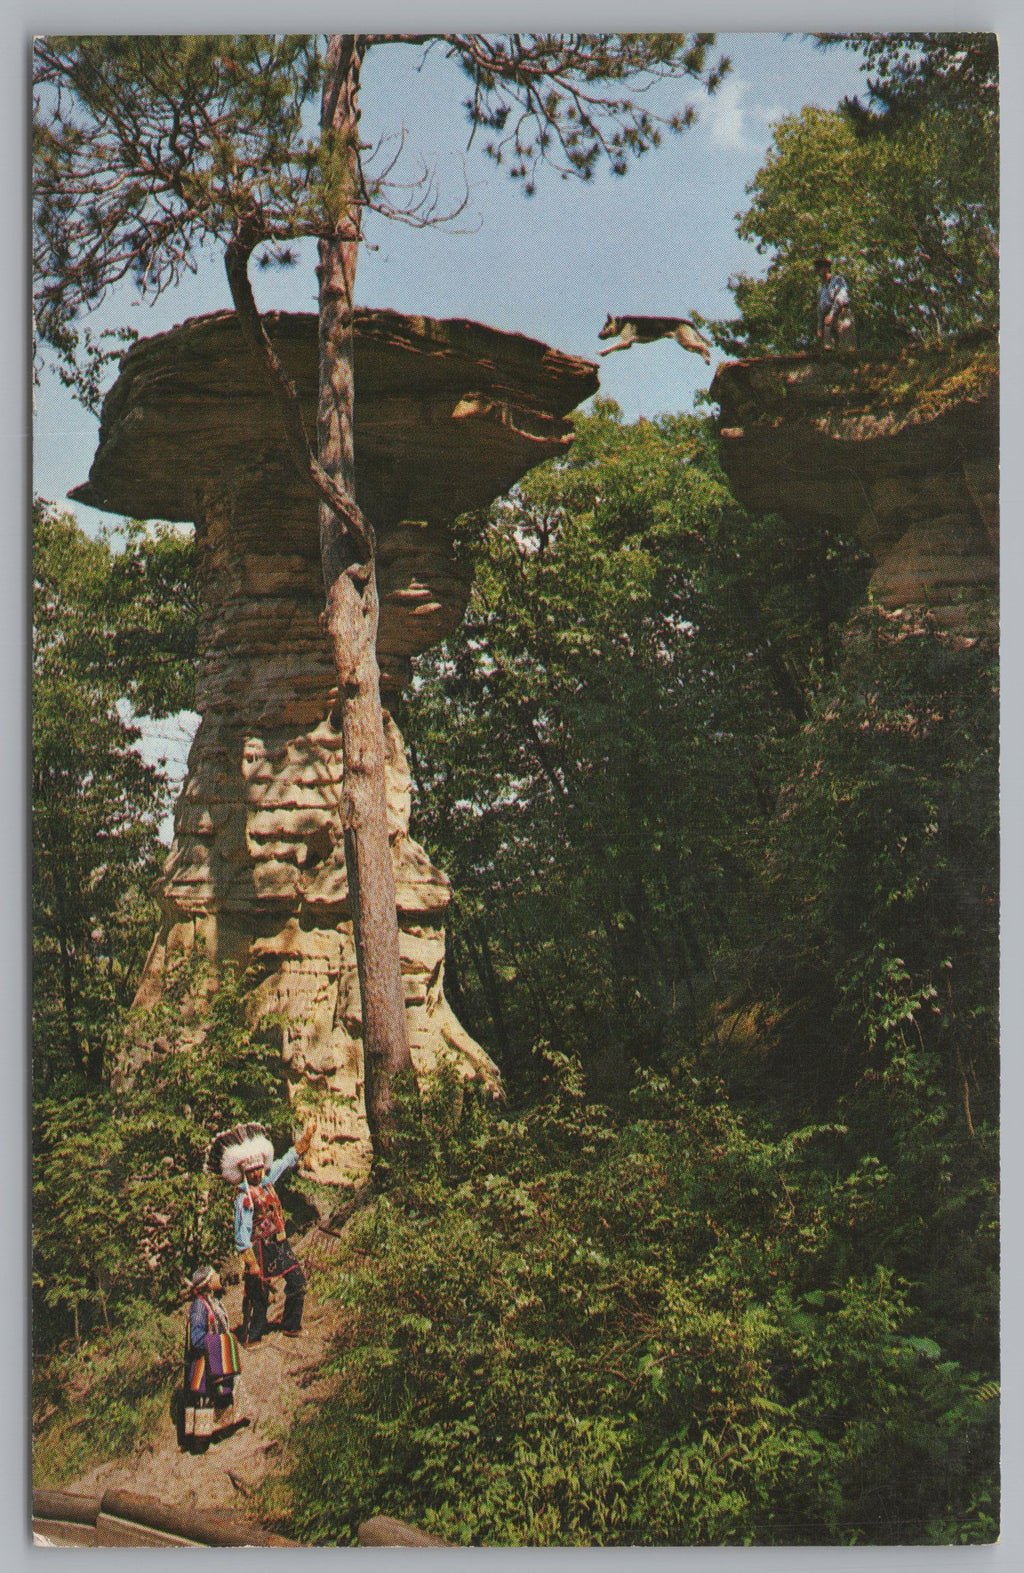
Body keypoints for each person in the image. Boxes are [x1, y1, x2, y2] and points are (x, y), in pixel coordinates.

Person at [206, 1118, 316, 1346]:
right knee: (259, 1296)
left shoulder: (267, 1182)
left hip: (280, 1243)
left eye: (258, 1169)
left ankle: (291, 1325)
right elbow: (241, 1235)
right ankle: (253, 1336)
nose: (256, 1174)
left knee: (297, 1281)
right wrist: (251, 1263)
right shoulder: (244, 1198)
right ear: (245, 1172)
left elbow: (286, 1161)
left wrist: (305, 1139)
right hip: (259, 1250)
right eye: (252, 1171)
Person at [183, 1265, 242, 1450]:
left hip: (212, 1361)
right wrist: (218, 1343)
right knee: (204, 1399)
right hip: (203, 1364)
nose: (218, 1276)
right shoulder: (199, 1308)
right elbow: (196, 1339)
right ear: (208, 1283)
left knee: (214, 1397)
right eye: (214, 1275)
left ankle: (218, 1433)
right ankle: (200, 1446)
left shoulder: (211, 1301)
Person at [814, 257, 856, 348]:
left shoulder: (838, 281)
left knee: (847, 347)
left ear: (828, 268)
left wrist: (832, 314)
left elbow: (840, 299)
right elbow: (820, 310)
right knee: (829, 349)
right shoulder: (821, 290)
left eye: (822, 267)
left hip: (841, 314)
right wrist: (819, 327)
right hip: (828, 321)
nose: (820, 270)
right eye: (818, 268)